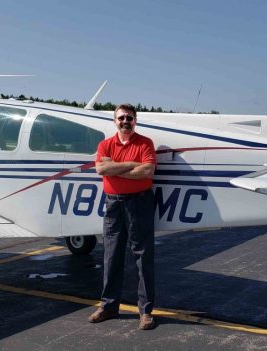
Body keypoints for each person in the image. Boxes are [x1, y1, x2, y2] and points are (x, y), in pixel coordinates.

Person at [88, 103, 157, 330]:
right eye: (121, 118)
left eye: (129, 118)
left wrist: (115, 166)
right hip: (114, 203)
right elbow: (101, 170)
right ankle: (108, 306)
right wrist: (131, 166)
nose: (125, 121)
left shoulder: (145, 142)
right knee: (111, 254)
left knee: (142, 255)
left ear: (135, 121)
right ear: (115, 121)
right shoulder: (105, 144)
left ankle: (146, 312)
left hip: (140, 202)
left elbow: (147, 171)